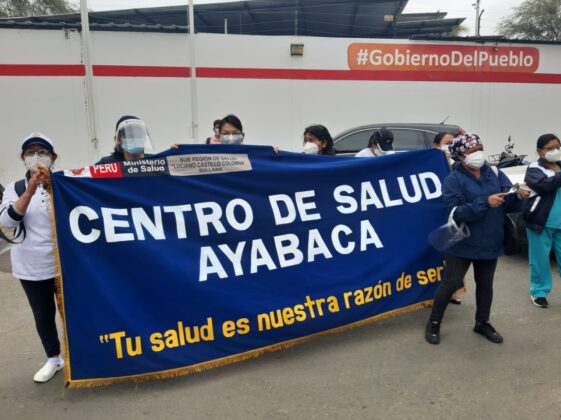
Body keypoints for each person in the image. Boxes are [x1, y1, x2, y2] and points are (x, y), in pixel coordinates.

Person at [424, 133, 528, 345]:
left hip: (491, 239)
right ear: (461, 156)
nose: (478, 154)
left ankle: (482, 322)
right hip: (462, 242)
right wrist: (485, 203)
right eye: (472, 151)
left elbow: (508, 202)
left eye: (480, 149)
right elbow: (454, 212)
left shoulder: (495, 173)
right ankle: (434, 322)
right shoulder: (453, 179)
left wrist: (518, 197)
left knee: (485, 285)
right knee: (451, 283)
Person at [0, 133, 63, 382]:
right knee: (43, 315)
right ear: (22, 157)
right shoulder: (14, 188)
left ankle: (79, 355)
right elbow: (7, 222)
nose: (36, 156)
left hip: (64, 264)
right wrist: (29, 191)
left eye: (43, 152)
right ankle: (54, 359)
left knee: (72, 314)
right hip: (31, 266)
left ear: (53, 158)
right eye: (30, 152)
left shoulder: (64, 183)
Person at [524, 134, 561, 308]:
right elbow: (545, 185)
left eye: (557, 147)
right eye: (550, 148)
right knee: (539, 260)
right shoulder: (534, 168)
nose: (555, 151)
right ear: (540, 151)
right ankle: (539, 292)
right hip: (541, 221)